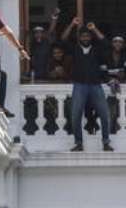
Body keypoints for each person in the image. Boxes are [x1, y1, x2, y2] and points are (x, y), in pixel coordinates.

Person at [61, 18, 113, 151]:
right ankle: (79, 143)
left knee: (104, 114)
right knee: (75, 114)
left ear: (90, 37)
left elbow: (105, 42)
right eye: (83, 36)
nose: (85, 38)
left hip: (96, 85)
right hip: (79, 85)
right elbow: (63, 39)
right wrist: (72, 24)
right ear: (79, 37)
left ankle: (106, 142)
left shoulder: (96, 49)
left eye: (87, 36)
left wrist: (94, 28)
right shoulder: (75, 49)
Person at [27, 8, 60, 81]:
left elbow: (51, 29)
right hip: (34, 74)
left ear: (43, 33)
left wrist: (54, 16)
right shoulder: (31, 43)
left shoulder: (46, 41)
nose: (38, 34)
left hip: (47, 74)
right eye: (36, 32)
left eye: (40, 32)